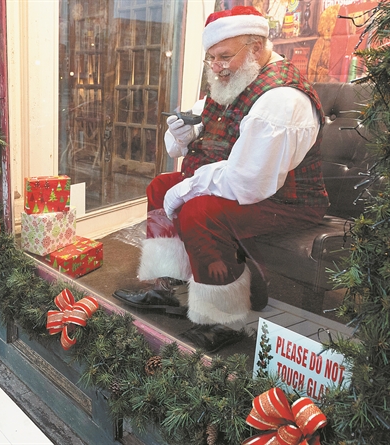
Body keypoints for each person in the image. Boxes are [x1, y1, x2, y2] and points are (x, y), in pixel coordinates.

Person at [113, 6, 328, 351]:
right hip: (250, 185)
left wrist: (189, 187)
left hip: (288, 200)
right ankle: (171, 287)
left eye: (224, 56)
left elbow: (249, 181)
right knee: (160, 187)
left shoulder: (281, 100)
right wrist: (183, 135)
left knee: (200, 211)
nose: (216, 66)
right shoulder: (234, 79)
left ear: (256, 47)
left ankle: (223, 320)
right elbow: (184, 145)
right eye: (211, 57)